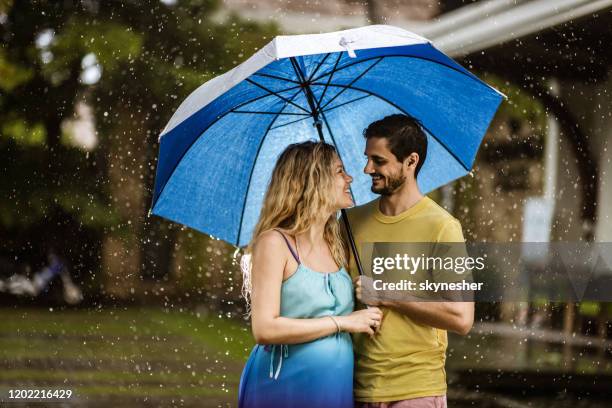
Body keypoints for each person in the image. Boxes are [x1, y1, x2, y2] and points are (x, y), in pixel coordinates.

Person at [238, 141, 383, 408]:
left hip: (333, 387)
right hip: (285, 385)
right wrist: (343, 322)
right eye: (339, 171)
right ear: (312, 180)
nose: (350, 178)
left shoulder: (337, 242)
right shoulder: (274, 242)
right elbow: (265, 328)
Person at [347, 114, 475, 408]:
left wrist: (389, 295)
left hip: (414, 390)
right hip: (355, 388)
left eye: (378, 161)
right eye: (367, 159)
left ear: (411, 161)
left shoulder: (442, 227)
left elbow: (462, 318)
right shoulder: (350, 222)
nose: (367, 169)